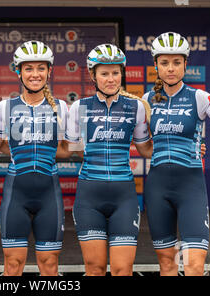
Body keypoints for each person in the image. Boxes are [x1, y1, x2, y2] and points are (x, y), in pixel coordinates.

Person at [143, 32, 210, 276]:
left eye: (177, 62)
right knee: (167, 265)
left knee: (194, 266)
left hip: (190, 187)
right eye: (164, 63)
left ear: (185, 64)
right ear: (156, 65)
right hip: (158, 188)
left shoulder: (200, 97)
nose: (171, 68)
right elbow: (143, 147)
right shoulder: (146, 100)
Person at [0, 41, 68, 276]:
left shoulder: (63, 108)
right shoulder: (6, 107)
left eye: (41, 68)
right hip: (15, 194)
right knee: (13, 264)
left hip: (50, 195)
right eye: (28, 68)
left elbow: (68, 150)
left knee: (49, 265)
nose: (35, 74)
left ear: (49, 71)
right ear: (18, 71)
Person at [62, 44, 153, 276]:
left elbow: (146, 150)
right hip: (89, 196)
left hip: (124, 196)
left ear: (122, 73)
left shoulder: (137, 107)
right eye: (104, 73)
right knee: (95, 269)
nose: (111, 79)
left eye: (115, 72)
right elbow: (71, 149)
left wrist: (191, 147)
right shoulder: (78, 108)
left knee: (123, 269)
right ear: (93, 75)